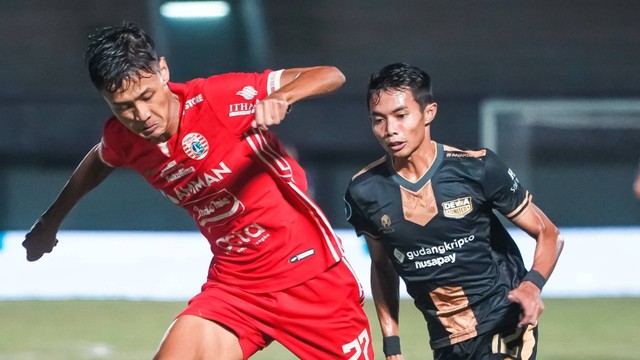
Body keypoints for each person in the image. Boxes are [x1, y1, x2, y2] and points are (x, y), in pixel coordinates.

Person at [22, 21, 374, 360]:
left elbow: (331, 74)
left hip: (309, 275)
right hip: (236, 288)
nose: (141, 115)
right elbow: (99, 160)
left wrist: (282, 96)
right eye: (124, 107)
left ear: (163, 70)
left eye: (147, 96)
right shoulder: (124, 136)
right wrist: (49, 222)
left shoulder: (218, 99)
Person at [344, 63, 564, 360]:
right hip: (445, 340)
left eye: (400, 115)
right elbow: (382, 267)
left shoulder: (477, 168)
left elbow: (548, 233)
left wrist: (531, 286)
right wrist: (391, 343)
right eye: (378, 120)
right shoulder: (364, 191)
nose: (390, 130)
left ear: (429, 112)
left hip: (504, 320)